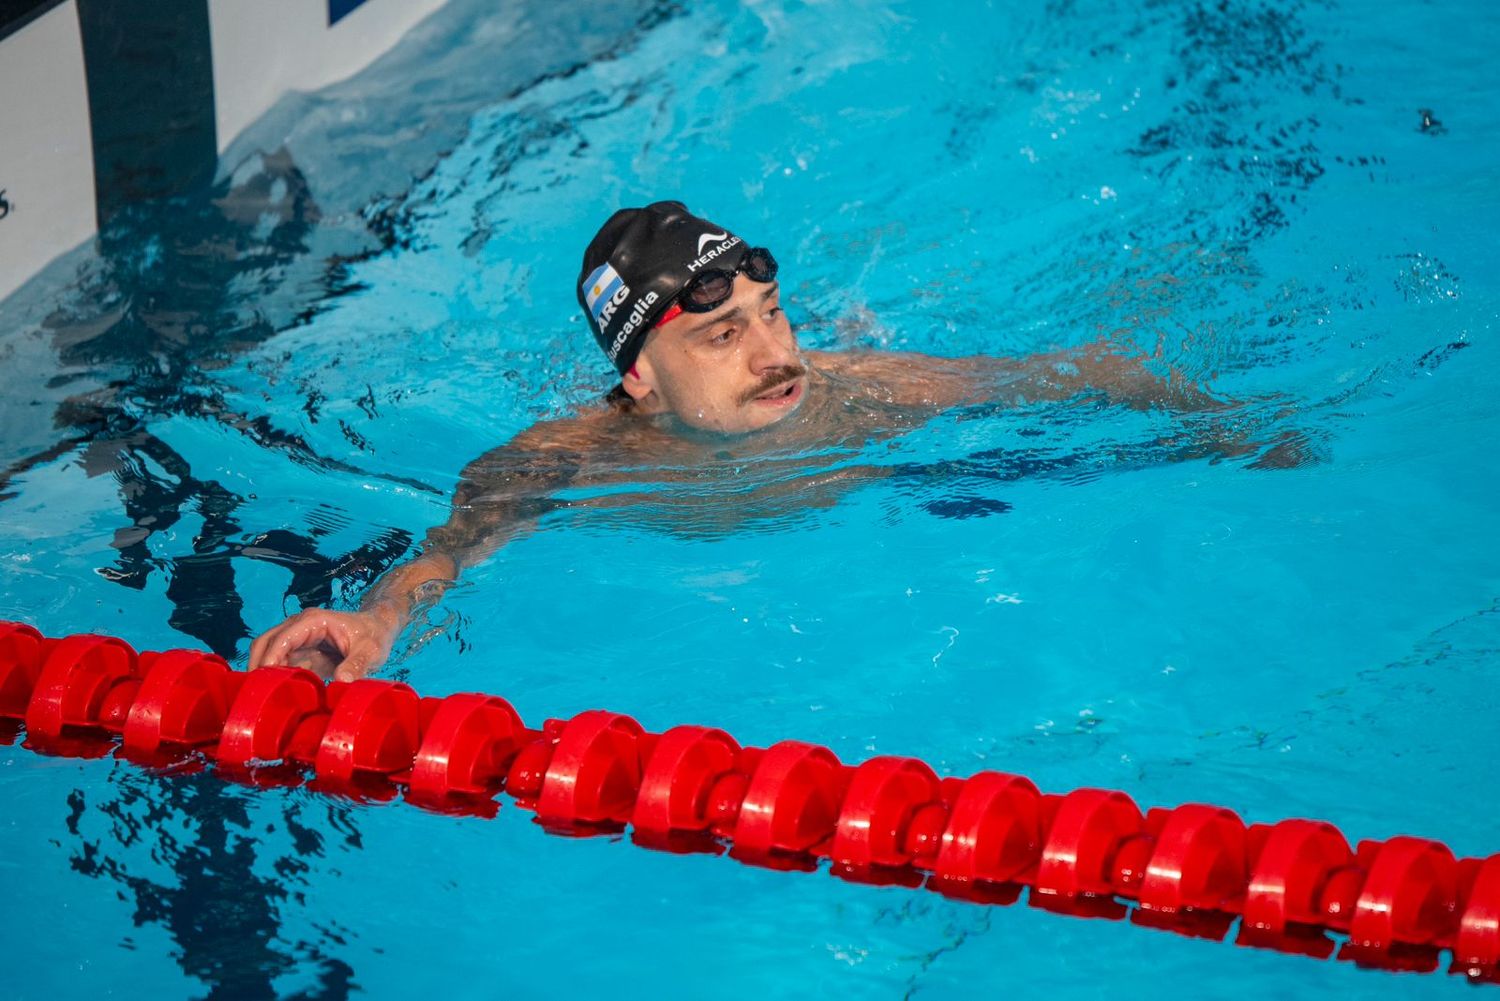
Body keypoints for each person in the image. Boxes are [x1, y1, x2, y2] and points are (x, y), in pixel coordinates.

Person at [249, 200, 1245, 680]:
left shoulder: (864, 396)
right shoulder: (569, 459)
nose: (776, 354)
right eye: (726, 333)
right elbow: (446, 555)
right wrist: (377, 621)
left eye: (775, 313)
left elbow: (1099, 365)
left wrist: (1233, 430)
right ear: (637, 373)